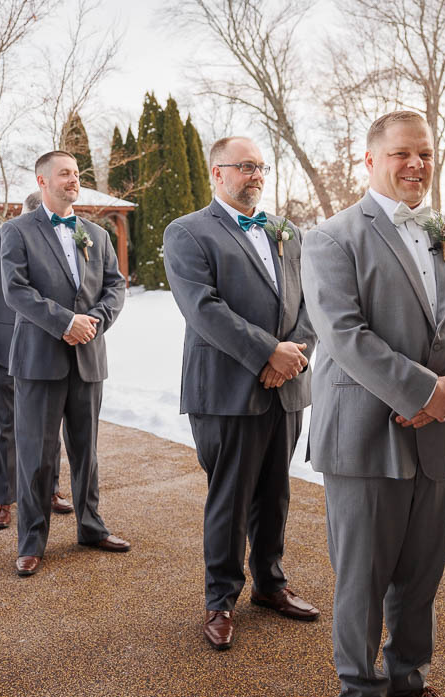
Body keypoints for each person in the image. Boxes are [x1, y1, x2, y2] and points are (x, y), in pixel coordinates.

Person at [300, 111, 445, 697]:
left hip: (442, 438)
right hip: (365, 438)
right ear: (368, 160)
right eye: (400, 154)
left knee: (421, 576)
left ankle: (407, 684)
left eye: (424, 153)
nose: (415, 165)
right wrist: (424, 391)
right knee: (362, 579)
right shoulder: (332, 238)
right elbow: (343, 333)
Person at [163, 136, 320, 651]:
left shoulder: (287, 231)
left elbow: (309, 304)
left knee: (275, 492)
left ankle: (271, 584)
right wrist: (265, 354)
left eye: (261, 167)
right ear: (217, 173)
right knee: (229, 497)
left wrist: (293, 353)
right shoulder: (187, 232)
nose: (256, 175)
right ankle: (221, 599)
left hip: (287, 386)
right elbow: (203, 309)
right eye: (245, 166)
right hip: (226, 389)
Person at [0, 151, 128, 577]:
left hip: (88, 356)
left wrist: (93, 323)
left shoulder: (96, 233)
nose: (73, 180)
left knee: (86, 450)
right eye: (64, 174)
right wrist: (64, 322)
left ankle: (91, 527)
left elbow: (115, 286)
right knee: (36, 454)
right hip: (39, 360)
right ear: (43, 181)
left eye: (76, 174)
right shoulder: (16, 231)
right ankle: (31, 540)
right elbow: (15, 290)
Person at [0, 192, 73, 531]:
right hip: (5, 351)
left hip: (50, 349)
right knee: (6, 427)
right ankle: (2, 500)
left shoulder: (65, 242)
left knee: (48, 425)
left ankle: (49, 490)